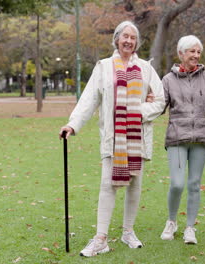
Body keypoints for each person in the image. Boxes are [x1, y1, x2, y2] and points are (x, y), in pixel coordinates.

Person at [58, 21, 165, 257]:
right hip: (113, 137)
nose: (128, 41)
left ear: (136, 42)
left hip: (138, 138)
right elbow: (89, 99)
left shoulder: (146, 68)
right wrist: (73, 124)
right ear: (117, 39)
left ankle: (128, 232)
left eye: (133, 37)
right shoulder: (104, 67)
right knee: (108, 184)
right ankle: (101, 238)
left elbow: (160, 100)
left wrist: (137, 111)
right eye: (124, 36)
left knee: (135, 183)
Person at [159, 35, 205, 244]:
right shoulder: (168, 80)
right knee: (176, 184)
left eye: (198, 52)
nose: (196, 55)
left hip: (201, 137)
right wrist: (145, 104)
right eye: (192, 51)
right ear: (181, 54)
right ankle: (172, 221)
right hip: (177, 137)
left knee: (194, 184)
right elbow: (159, 106)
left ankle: (190, 227)